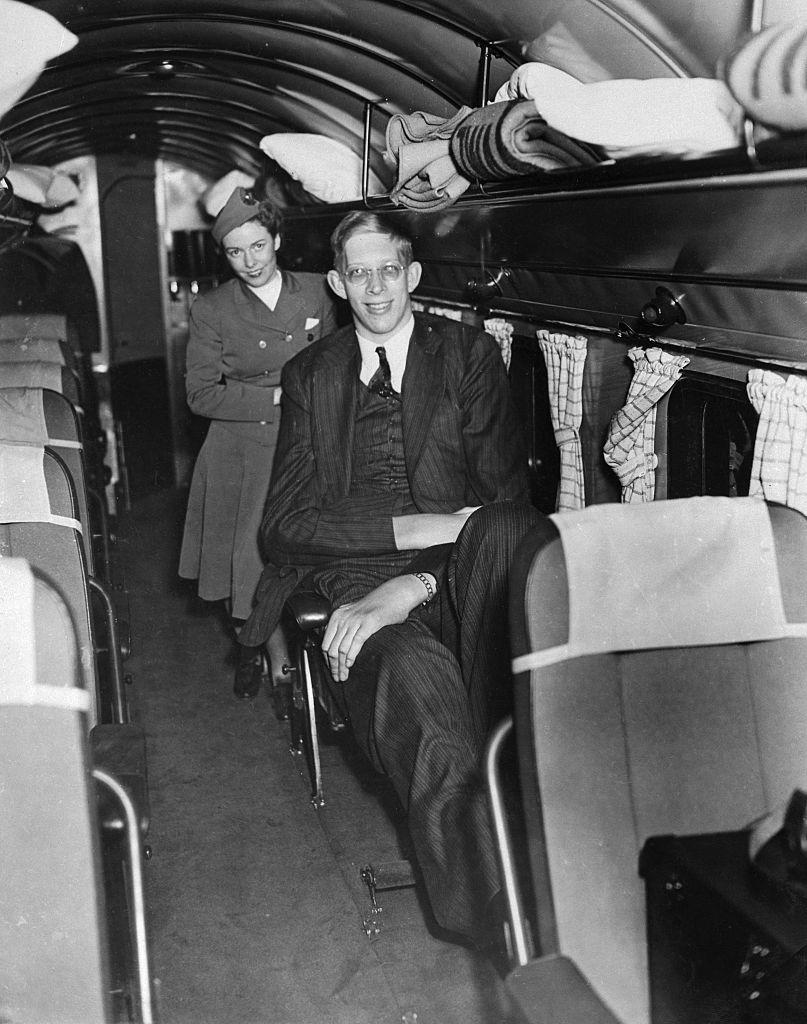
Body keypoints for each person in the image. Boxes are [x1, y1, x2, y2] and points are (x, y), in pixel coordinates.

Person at [239, 210, 542, 948]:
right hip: (356, 585)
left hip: (458, 575)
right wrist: (402, 537)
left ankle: (554, 834)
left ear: (411, 275)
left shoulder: (468, 356)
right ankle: (500, 928)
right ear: (337, 284)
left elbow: (502, 507)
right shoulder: (310, 376)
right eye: (357, 274)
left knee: (506, 528)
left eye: (388, 270)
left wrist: (415, 583)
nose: (375, 288)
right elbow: (282, 525)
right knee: (430, 708)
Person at [179, 187, 338, 699]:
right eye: (234, 251)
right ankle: (262, 651)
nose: (248, 261)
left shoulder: (319, 291)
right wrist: (277, 399)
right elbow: (200, 394)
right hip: (242, 449)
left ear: (276, 240)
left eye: (257, 247)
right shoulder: (213, 309)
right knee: (247, 560)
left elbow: (340, 361)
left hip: (311, 440)